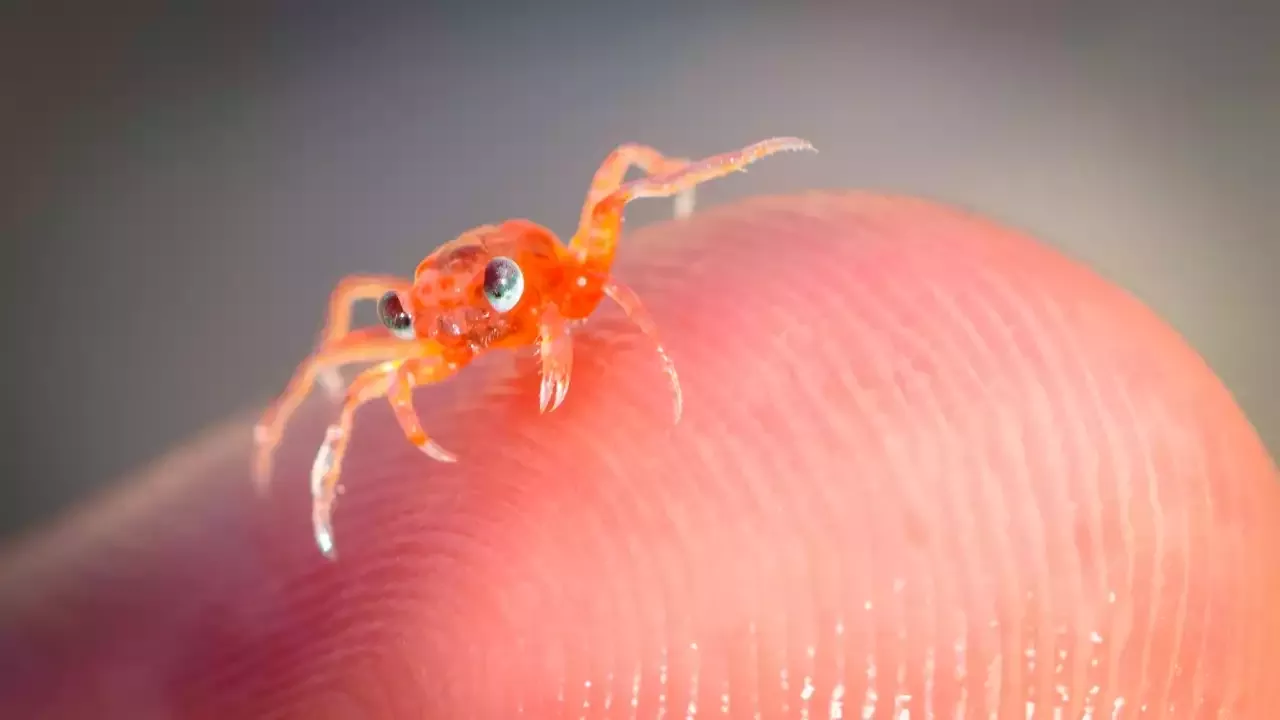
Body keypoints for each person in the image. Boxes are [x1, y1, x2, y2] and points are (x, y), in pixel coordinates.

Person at [2, 191, 1277, 718]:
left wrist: (566, 301)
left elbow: (614, 190)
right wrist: (327, 400)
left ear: (525, 272)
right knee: (352, 386)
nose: (441, 327)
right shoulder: (428, 324)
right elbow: (370, 321)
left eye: (490, 293)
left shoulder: (560, 277)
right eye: (425, 316)